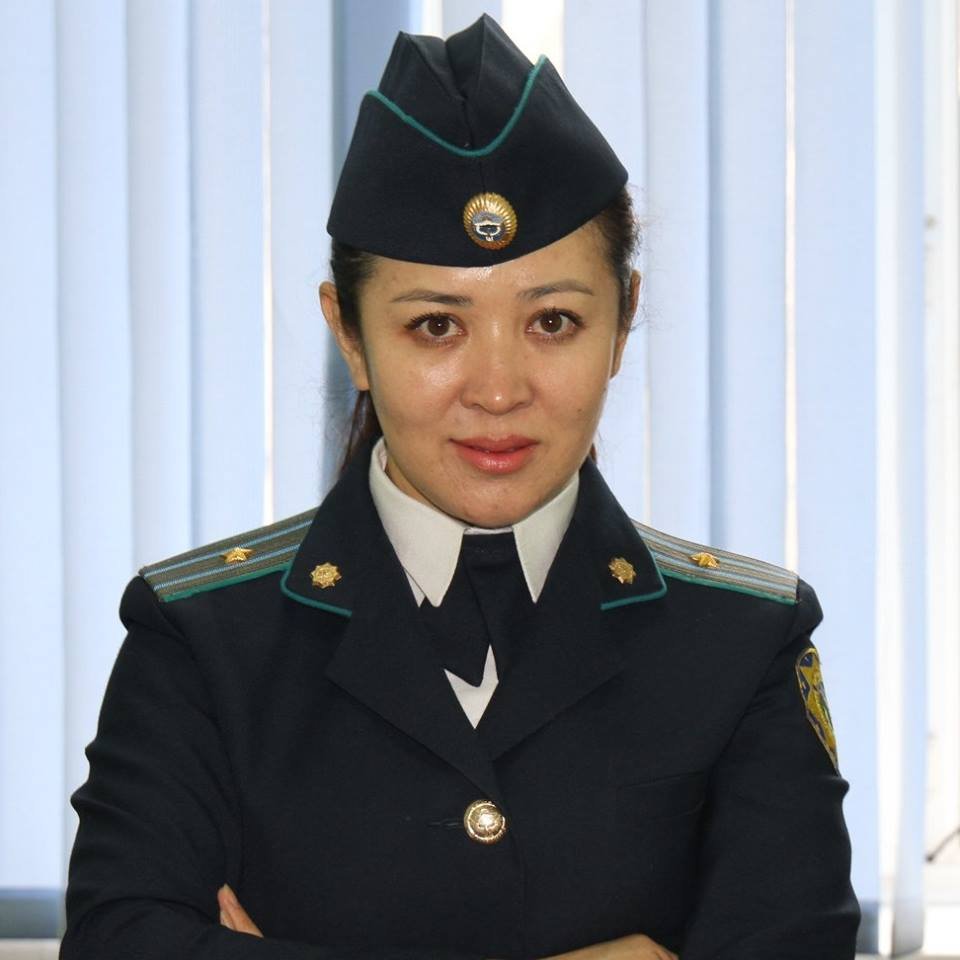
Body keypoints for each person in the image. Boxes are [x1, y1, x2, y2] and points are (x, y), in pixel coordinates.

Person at [61, 15, 859, 960]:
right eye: (436, 326)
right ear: (350, 335)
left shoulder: (742, 640)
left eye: (553, 321)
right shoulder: (202, 638)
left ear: (623, 322)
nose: (498, 390)